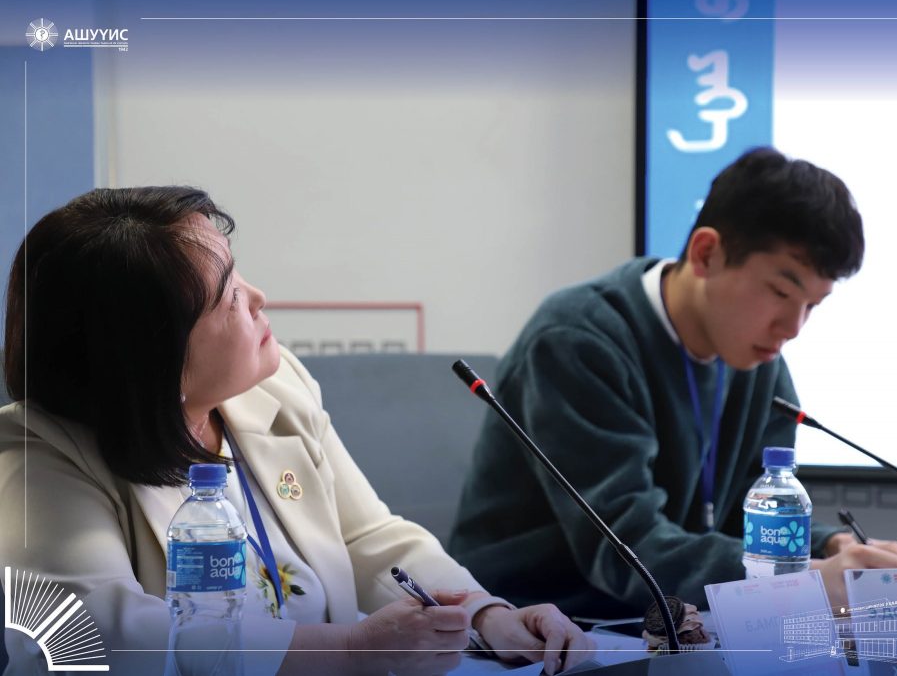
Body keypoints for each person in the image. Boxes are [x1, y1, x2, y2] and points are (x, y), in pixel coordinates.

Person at [0, 187, 592, 676]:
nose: (259, 297)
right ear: (155, 360)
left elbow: (367, 537)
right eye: (230, 297)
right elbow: (96, 638)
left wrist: (486, 616)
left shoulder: (274, 389)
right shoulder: (38, 457)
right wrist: (352, 652)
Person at [450, 147, 897, 619]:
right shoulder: (579, 341)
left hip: (668, 621)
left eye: (813, 306)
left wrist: (831, 545)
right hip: (535, 626)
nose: (793, 327)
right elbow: (624, 549)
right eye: (780, 292)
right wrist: (804, 580)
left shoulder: (758, 360)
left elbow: (747, 515)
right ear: (706, 254)